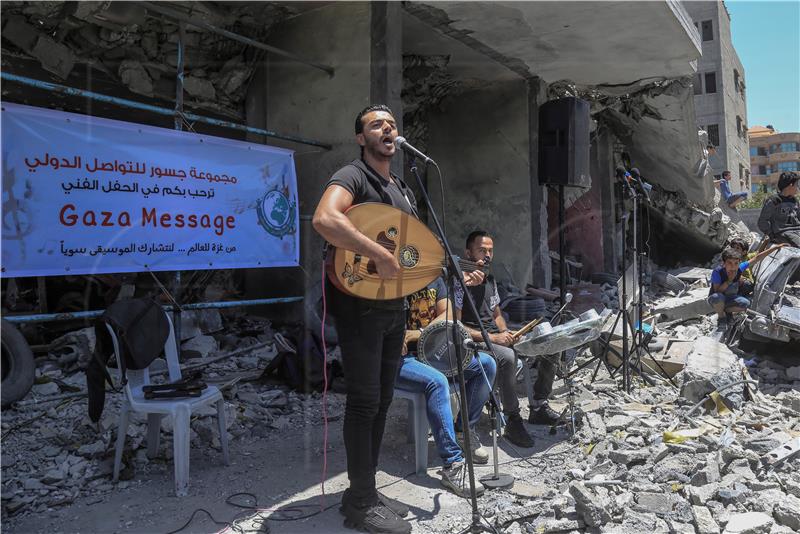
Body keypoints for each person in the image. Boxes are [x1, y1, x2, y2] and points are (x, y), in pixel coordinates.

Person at [312, 104, 415, 533]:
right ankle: (359, 503)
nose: (387, 129)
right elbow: (325, 219)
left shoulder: (403, 186)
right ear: (361, 138)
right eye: (376, 125)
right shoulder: (353, 175)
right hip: (358, 308)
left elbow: (409, 249)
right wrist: (377, 254)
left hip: (393, 308)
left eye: (391, 124)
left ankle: (364, 488)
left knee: (383, 402)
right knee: (364, 402)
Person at [454, 230, 558, 450]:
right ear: (468, 252)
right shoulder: (458, 281)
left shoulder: (490, 280)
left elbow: (497, 314)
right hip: (474, 339)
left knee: (550, 343)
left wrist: (509, 333)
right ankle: (512, 419)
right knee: (508, 357)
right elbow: (456, 325)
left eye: (490, 251)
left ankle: (538, 405)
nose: (487, 255)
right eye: (482, 250)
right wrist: (495, 338)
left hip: (496, 335)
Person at [397, 277, 497, 497]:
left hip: (434, 354)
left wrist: (419, 333)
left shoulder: (435, 279)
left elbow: (449, 314)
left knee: (486, 364)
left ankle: (463, 431)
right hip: (402, 360)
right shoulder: (397, 280)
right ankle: (452, 465)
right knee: (437, 381)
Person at [708, 243, 786, 328]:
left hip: (730, 298)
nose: (733, 266)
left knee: (746, 303)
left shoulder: (740, 268)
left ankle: (727, 311)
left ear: (739, 262)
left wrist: (775, 248)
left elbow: (757, 258)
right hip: (716, 300)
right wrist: (729, 281)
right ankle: (721, 316)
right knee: (717, 297)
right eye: (729, 263)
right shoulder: (718, 272)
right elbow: (717, 292)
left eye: (736, 263)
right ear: (724, 263)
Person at [757, 172, 800, 247]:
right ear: (790, 185)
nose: (798, 188)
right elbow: (762, 221)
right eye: (797, 185)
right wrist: (772, 235)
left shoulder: (794, 201)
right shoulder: (774, 200)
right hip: (784, 232)